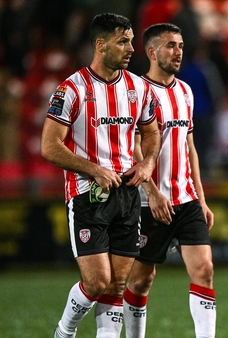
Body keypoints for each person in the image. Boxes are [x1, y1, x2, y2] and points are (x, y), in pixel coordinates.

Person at [41, 13, 160, 338]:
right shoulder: (72, 89)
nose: (131, 48)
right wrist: (93, 169)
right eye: (123, 41)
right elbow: (49, 146)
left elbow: (152, 133)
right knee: (97, 282)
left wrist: (147, 164)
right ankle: (64, 332)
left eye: (132, 41)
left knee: (117, 285)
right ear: (100, 44)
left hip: (126, 195)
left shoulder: (138, 87)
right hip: (87, 195)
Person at [123, 23, 216, 338]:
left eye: (180, 45)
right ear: (151, 51)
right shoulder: (135, 92)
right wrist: (153, 192)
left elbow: (189, 149)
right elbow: (132, 149)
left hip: (186, 199)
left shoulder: (185, 91)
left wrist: (201, 199)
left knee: (204, 271)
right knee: (140, 280)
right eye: (170, 46)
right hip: (149, 204)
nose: (178, 52)